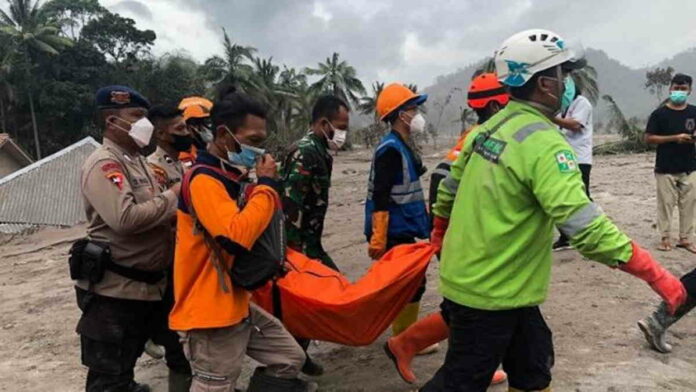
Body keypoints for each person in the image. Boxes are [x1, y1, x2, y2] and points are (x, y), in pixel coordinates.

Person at [422, 29, 686, 392]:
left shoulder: (490, 127)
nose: (568, 84)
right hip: (490, 292)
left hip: (489, 281)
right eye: (564, 75)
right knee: (461, 380)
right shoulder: (546, 144)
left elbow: (449, 187)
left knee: (534, 365)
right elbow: (584, 227)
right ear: (546, 84)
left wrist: (439, 231)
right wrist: (655, 274)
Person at [169, 86, 316, 392]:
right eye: (253, 142)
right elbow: (235, 237)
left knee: (289, 357)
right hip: (210, 312)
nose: (260, 151)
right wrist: (265, 186)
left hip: (234, 301)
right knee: (215, 386)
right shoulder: (204, 180)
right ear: (224, 135)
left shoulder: (228, 175)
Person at [387, 72, 510, 387]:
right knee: (476, 307)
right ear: (497, 104)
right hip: (466, 235)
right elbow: (444, 180)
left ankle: (406, 342)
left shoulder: (476, 134)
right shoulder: (489, 137)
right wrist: (446, 230)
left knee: (467, 307)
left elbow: (441, 178)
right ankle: (412, 344)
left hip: (456, 231)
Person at [73, 86, 183, 392]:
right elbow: (126, 219)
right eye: (136, 116)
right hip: (115, 295)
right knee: (110, 380)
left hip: (148, 288)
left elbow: (155, 213)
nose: (144, 124)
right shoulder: (104, 163)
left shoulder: (137, 161)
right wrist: (174, 197)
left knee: (173, 353)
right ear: (112, 121)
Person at [364, 82, 430, 338]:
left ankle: (404, 336)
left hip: (403, 227)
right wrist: (378, 237)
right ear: (401, 115)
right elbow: (380, 195)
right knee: (411, 285)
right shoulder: (390, 149)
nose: (417, 115)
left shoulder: (401, 144)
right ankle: (404, 338)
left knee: (410, 284)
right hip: (393, 230)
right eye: (413, 109)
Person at [282, 95, 350, 271]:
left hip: (312, 244)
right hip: (300, 250)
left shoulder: (320, 153)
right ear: (323, 123)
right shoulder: (305, 153)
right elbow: (291, 206)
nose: (343, 134)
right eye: (341, 128)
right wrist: (293, 259)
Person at [428, 72, 510, 215]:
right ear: (494, 107)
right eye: (508, 104)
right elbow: (440, 174)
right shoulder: (481, 137)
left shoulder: (471, 134)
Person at [644, 73, 696, 253]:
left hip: (690, 166)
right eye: (676, 88)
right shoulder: (659, 114)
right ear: (670, 88)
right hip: (665, 167)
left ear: (690, 90)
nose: (679, 92)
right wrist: (675, 138)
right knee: (665, 204)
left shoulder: (694, 112)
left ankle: (686, 238)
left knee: (689, 204)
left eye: (683, 89)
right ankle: (665, 237)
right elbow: (649, 138)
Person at [552, 81, 594, 250]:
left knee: (582, 195)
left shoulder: (582, 103)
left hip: (579, 158)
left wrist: (549, 116)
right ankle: (566, 236)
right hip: (563, 157)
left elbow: (576, 125)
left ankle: (591, 232)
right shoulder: (561, 107)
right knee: (562, 195)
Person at [178, 96, 215, 169]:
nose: (204, 129)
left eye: (205, 123)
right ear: (189, 127)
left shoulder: (210, 147)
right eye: (198, 125)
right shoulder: (185, 154)